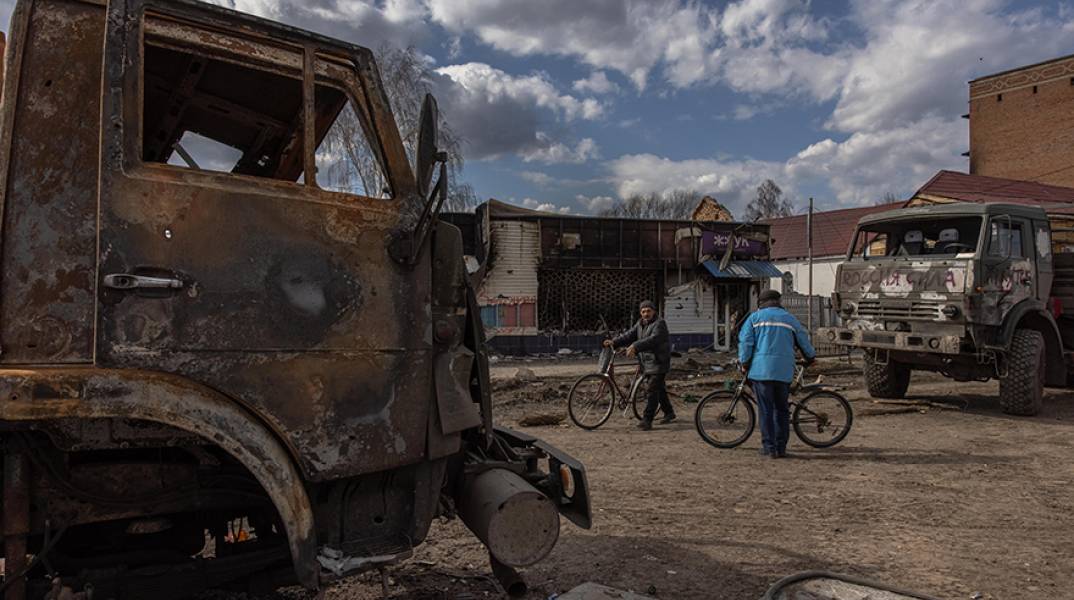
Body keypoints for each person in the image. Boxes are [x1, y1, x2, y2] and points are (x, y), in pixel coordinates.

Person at [738, 289, 815, 458]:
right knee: (781, 409)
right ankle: (781, 447)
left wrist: (744, 363)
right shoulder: (790, 319)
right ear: (778, 301)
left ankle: (769, 448)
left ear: (761, 303)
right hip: (784, 370)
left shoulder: (754, 319)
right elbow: (803, 342)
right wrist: (810, 357)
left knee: (766, 410)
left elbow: (745, 343)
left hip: (762, 370)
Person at [604, 300, 674, 431]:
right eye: (643, 312)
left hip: (658, 362)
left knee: (652, 390)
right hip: (646, 362)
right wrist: (614, 342)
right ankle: (669, 412)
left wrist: (635, 346)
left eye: (648, 311)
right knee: (659, 388)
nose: (646, 314)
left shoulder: (660, 324)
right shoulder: (640, 324)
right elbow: (629, 335)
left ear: (654, 311)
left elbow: (654, 339)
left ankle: (647, 419)